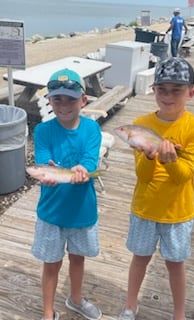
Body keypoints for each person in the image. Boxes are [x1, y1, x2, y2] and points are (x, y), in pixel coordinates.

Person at [118, 57, 194, 320]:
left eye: (176, 90)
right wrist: (149, 156)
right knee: (140, 258)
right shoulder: (141, 123)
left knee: (175, 264)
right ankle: (130, 306)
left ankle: (178, 314)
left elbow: (183, 177)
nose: (168, 96)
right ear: (153, 90)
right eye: (163, 89)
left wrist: (170, 161)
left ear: (191, 93)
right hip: (144, 208)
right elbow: (143, 176)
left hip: (178, 212)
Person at [31, 68, 102, 320]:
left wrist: (85, 169)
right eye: (57, 99)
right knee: (51, 264)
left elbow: (90, 160)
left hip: (82, 210)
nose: (63, 105)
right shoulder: (42, 131)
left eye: (70, 99)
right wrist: (46, 175)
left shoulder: (92, 129)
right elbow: (42, 162)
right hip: (51, 213)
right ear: (49, 100)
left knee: (78, 259)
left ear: (83, 100)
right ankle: (48, 313)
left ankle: (76, 298)